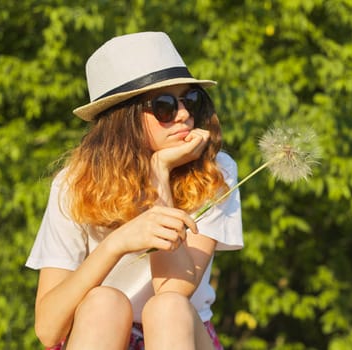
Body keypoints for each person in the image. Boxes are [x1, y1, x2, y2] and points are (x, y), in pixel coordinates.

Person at [26, 31, 243, 350]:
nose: (184, 114)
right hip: (98, 333)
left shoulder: (214, 169)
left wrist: (160, 173)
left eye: (191, 99)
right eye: (165, 106)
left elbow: (172, 288)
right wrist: (118, 243)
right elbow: (48, 329)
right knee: (103, 303)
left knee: (167, 308)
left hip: (179, 334)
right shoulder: (75, 183)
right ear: (122, 120)